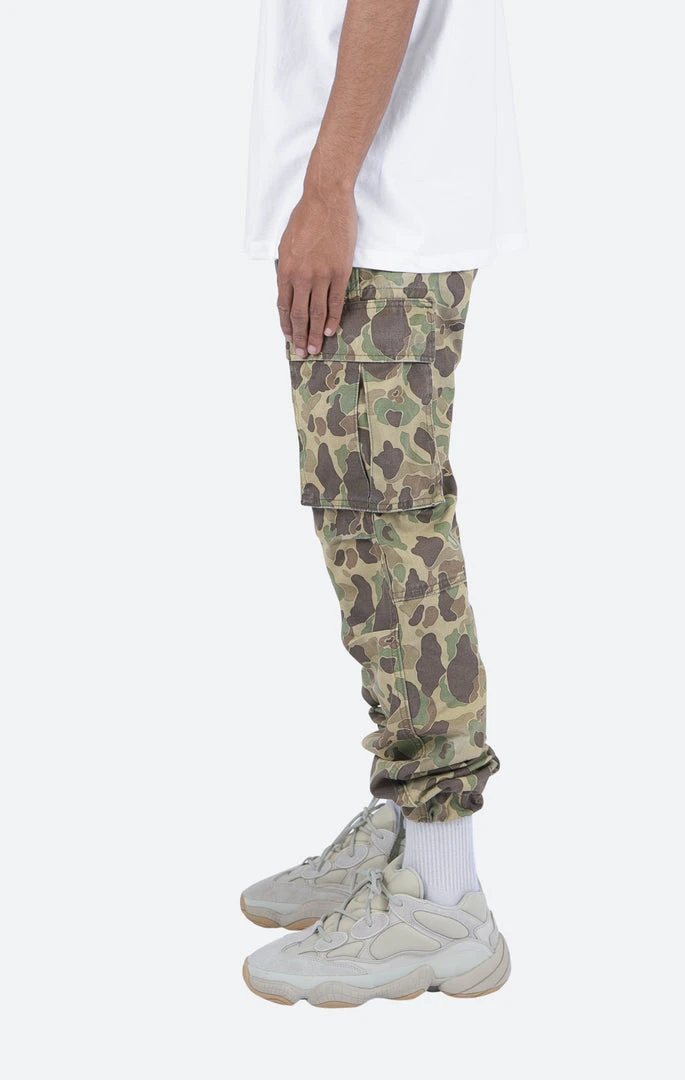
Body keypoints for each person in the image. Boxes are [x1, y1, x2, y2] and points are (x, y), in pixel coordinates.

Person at [240, 0, 526, 1008]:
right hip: (375, 196)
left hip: (382, 202)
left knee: (394, 536)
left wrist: (328, 188)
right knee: (363, 531)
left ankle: (445, 896)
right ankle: (406, 833)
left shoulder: (358, 196)